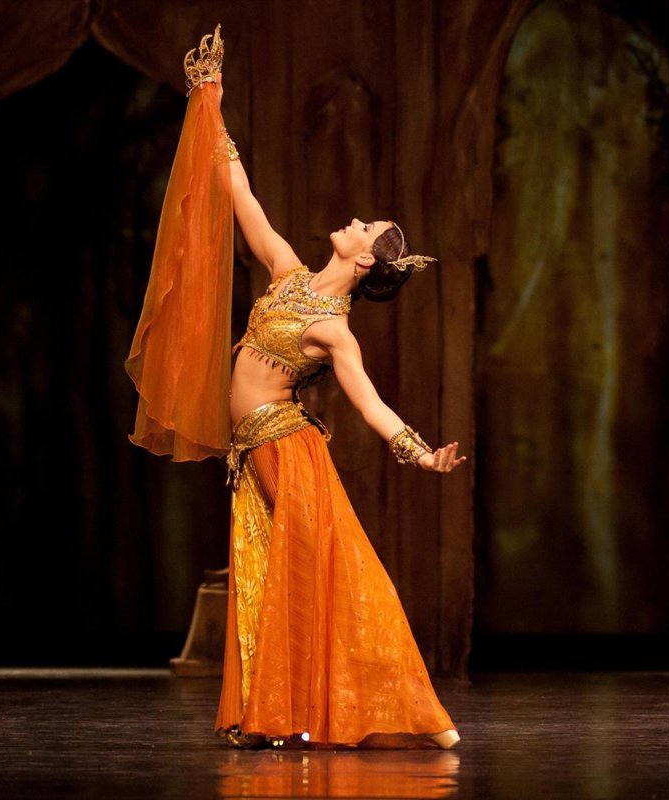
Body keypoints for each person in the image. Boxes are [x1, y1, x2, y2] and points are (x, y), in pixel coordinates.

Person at [125, 26, 463, 750]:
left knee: (327, 572)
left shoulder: (335, 331)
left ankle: (411, 711)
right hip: (253, 453)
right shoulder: (287, 273)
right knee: (264, 575)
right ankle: (271, 714)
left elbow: (369, 403)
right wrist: (210, 102)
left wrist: (420, 453)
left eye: (367, 226)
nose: (355, 220)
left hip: (288, 451)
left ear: (367, 259)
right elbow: (240, 194)